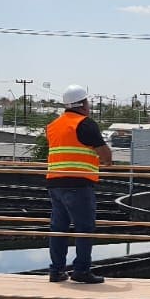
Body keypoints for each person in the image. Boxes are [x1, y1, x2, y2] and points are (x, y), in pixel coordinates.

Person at [46, 85, 113, 284]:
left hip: (55, 184)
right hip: (79, 185)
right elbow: (106, 157)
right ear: (83, 104)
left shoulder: (53, 125)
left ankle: (56, 271)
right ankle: (81, 270)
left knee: (59, 228)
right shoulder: (85, 124)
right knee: (84, 229)